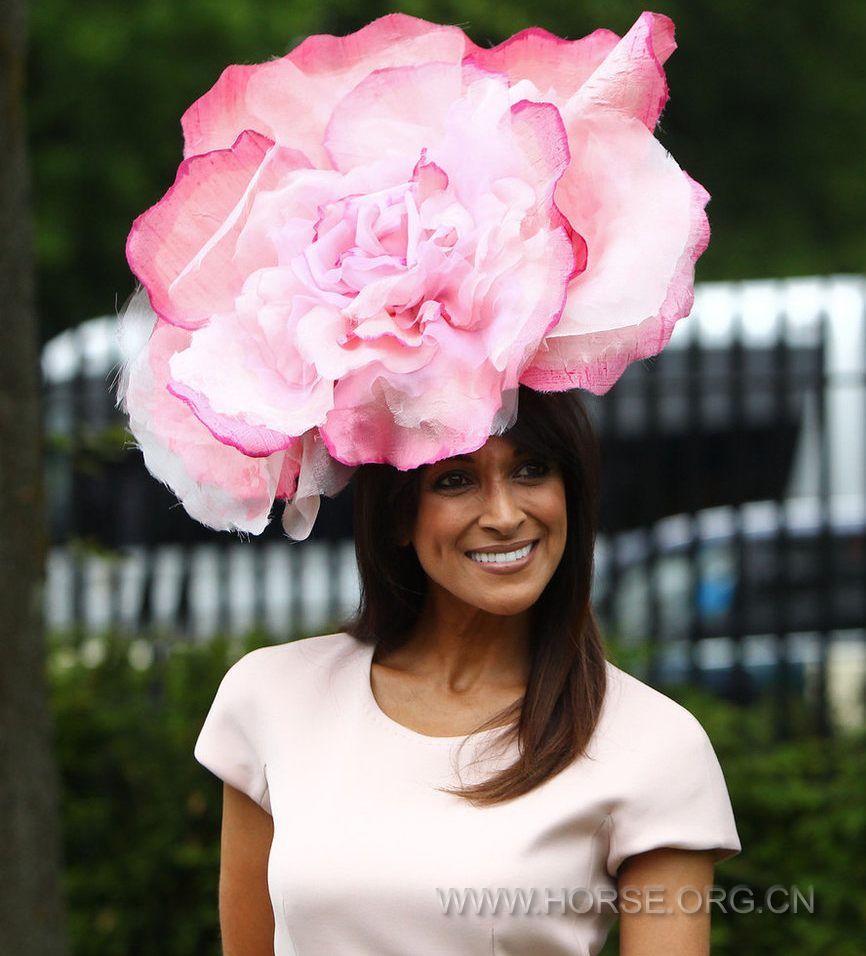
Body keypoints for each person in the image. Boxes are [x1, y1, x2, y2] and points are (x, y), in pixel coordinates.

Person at [115, 11, 740, 954]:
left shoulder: (653, 747)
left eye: (533, 470)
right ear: (399, 514)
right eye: (455, 481)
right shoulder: (270, 702)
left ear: (574, 490)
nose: (505, 513)